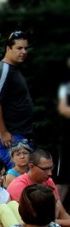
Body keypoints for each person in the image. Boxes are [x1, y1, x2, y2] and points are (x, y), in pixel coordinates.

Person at [0, 31, 34, 168]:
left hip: (20, 133)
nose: (23, 52)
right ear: (8, 49)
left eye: (26, 48)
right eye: (19, 48)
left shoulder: (14, 68)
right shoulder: (4, 70)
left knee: (24, 178)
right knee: (14, 177)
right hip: (12, 136)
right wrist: (3, 133)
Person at [7, 149, 70, 227]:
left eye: (51, 168)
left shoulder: (48, 181)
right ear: (31, 166)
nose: (50, 173)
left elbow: (64, 215)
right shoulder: (18, 185)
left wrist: (55, 222)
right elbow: (32, 221)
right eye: (45, 169)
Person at [57, 63, 70, 204]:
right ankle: (54, 215)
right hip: (67, 139)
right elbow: (63, 109)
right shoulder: (65, 86)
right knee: (64, 178)